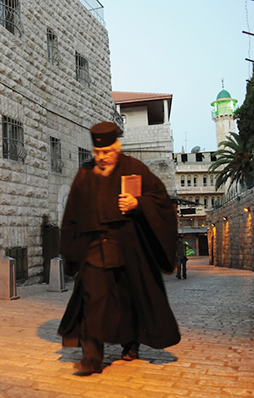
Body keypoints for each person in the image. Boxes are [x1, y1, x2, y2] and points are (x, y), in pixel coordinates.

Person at [57, 121, 181, 375]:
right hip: (94, 250)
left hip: (128, 248)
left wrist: (138, 202)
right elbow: (72, 213)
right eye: (97, 153)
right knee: (93, 299)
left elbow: (160, 200)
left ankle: (131, 343)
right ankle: (91, 358)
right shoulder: (85, 174)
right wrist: (71, 250)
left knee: (129, 299)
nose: (102, 158)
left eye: (107, 153)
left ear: (117, 147)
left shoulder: (135, 169)